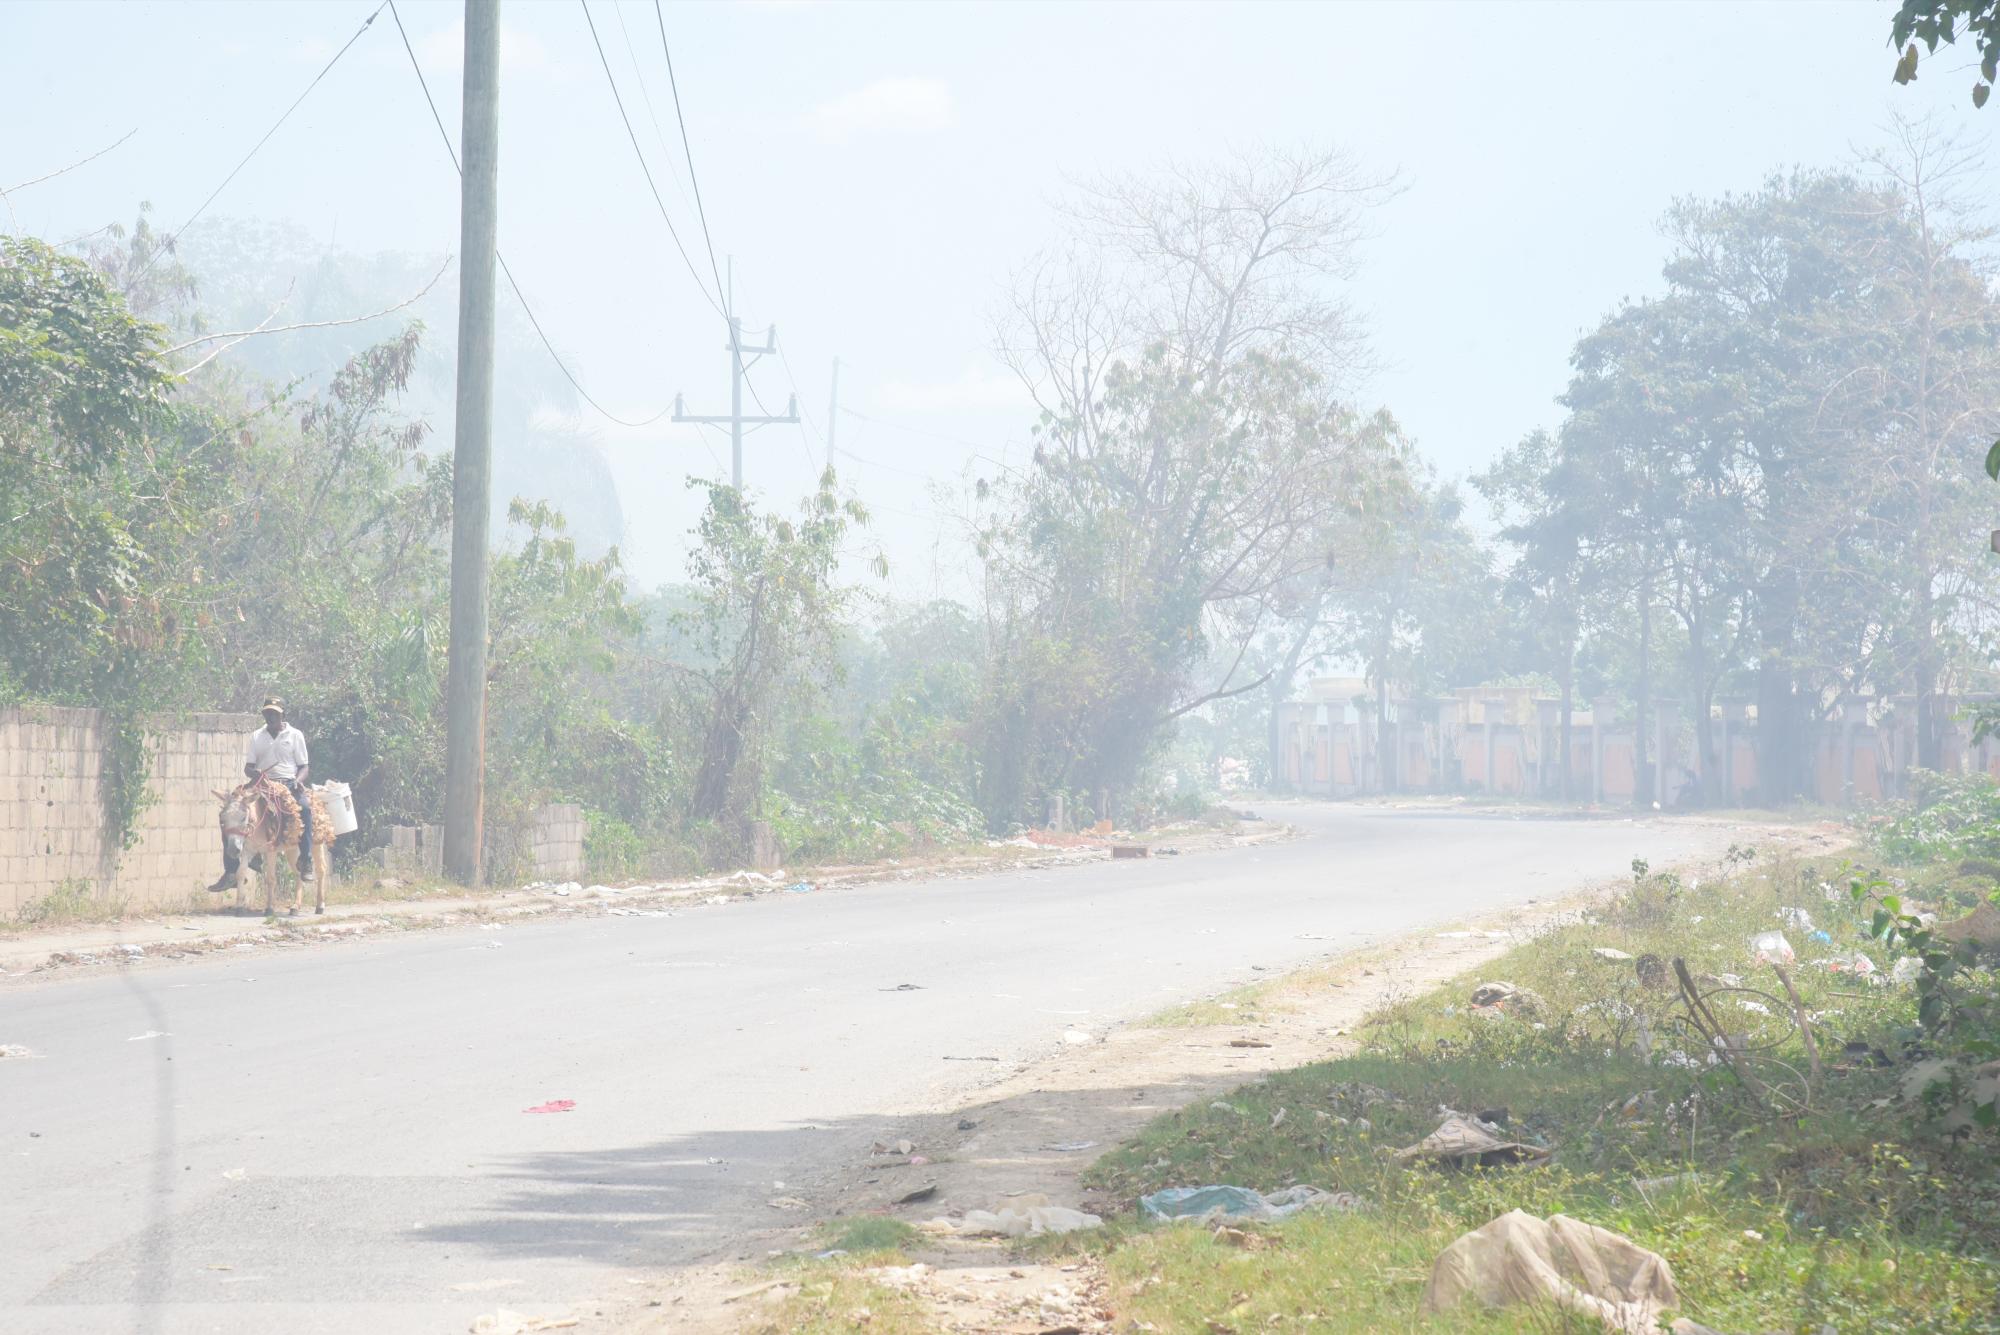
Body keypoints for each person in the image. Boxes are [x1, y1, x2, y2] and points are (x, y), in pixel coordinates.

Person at [208, 698, 314, 891]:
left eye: (275, 713)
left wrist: (298, 781)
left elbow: (304, 766)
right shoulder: (257, 736)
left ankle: (306, 861)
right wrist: (253, 773)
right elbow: (249, 767)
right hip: (262, 785)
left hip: (287, 784)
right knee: (230, 813)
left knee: (305, 810)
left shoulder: (295, 735)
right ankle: (232, 871)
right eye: (267, 713)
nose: (271, 717)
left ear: (283, 715)